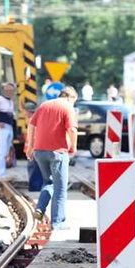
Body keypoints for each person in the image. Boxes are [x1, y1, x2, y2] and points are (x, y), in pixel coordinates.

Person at [25, 86, 78, 229]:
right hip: (58, 153)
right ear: (70, 97)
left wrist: (30, 147)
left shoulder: (44, 105)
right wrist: (73, 146)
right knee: (60, 188)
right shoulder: (67, 107)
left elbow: (31, 125)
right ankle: (57, 223)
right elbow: (72, 129)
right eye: (74, 101)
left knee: (48, 182)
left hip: (40, 152)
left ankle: (40, 208)